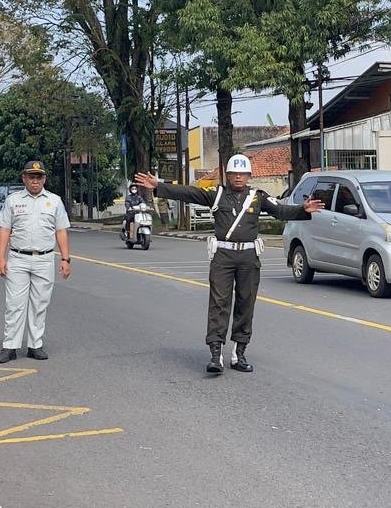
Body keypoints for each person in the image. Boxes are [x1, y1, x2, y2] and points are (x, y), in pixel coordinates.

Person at [134, 154, 324, 374]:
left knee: (246, 303)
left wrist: (302, 209)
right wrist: (159, 186)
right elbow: (190, 193)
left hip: (248, 258)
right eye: (234, 173)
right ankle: (215, 354)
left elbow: (279, 210)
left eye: (243, 174)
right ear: (228, 175)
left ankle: (239, 353)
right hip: (223, 256)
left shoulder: (257, 197)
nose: (238, 178)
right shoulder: (218, 195)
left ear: (249, 175)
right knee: (219, 303)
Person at [0, 160, 72, 363]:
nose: (35, 181)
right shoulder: (13, 201)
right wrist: (0, 258)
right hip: (18, 258)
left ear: (44, 179)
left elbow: (61, 230)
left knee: (39, 304)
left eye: (39, 177)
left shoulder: (54, 201)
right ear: (24, 178)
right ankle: (10, 346)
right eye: (31, 177)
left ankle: (35, 345)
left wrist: (65, 258)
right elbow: (4, 230)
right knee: (15, 305)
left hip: (44, 259)